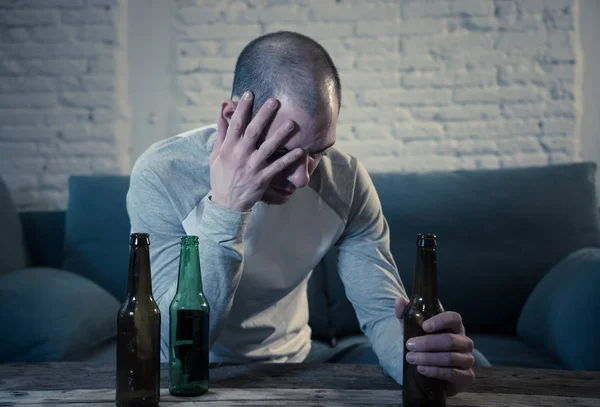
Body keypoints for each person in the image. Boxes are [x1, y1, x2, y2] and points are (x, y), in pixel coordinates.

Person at [127, 31, 480, 396]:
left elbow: (381, 312)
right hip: (199, 376)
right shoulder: (164, 174)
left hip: (299, 367)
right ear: (233, 117)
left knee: (474, 367)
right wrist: (228, 207)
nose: (302, 177)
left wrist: (424, 366)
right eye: (285, 151)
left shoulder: (345, 181)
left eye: (319, 151)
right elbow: (171, 346)